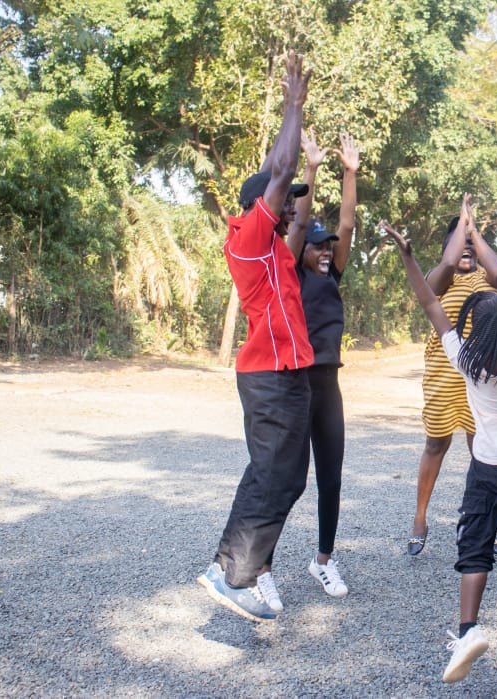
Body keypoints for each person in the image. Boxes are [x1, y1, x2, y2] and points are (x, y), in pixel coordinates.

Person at [382, 195, 497, 686]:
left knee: (475, 546)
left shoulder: (466, 360)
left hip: (489, 467)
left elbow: (429, 302)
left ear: (476, 330)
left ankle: (469, 628)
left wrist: (409, 255)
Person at [196, 51, 314, 623]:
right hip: (268, 378)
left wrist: (307, 167)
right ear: (262, 205)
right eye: (287, 204)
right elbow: (281, 170)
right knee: (274, 473)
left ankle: (229, 566)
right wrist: (293, 106)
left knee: (284, 477)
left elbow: (288, 178)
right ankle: (237, 576)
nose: (295, 212)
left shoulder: (274, 254)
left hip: (285, 378)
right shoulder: (247, 237)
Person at [406, 194, 497, 556]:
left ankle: (481, 521)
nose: (465, 248)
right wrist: (462, 221)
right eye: (459, 241)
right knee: (436, 444)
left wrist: (473, 231)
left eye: (471, 244)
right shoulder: (440, 277)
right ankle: (420, 518)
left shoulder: (486, 279)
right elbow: (449, 260)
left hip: (480, 379)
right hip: (442, 374)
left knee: (481, 451)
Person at [283, 129, 360, 599]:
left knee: (330, 475)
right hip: (295, 384)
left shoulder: (333, 273)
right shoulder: (291, 271)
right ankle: (263, 562)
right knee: (287, 478)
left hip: (327, 384)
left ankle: (323, 561)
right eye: (319, 247)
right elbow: (300, 225)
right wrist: (310, 170)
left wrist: (350, 173)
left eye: (328, 247)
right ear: (302, 252)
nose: (327, 250)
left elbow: (346, 224)